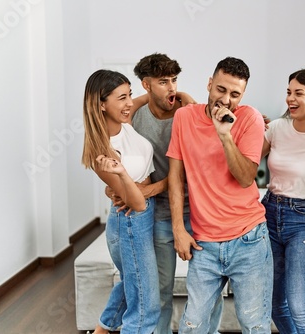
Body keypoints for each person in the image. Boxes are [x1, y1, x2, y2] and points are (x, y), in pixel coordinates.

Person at [167, 56, 273, 334]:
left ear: (243, 95)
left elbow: (245, 176)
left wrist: (225, 134)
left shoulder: (249, 118)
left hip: (248, 240)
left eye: (235, 94)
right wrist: (179, 228)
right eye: (221, 89)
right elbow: (176, 179)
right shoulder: (184, 118)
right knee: (193, 326)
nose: (226, 99)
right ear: (209, 84)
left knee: (254, 326)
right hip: (204, 244)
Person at [129, 52, 223, 334]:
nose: (171, 88)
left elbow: (193, 166)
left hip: (197, 212)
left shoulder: (187, 112)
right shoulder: (136, 117)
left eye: (174, 81)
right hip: (159, 215)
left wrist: (151, 188)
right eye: (162, 82)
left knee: (209, 290)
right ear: (146, 85)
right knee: (161, 290)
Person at [81, 69, 160, 334]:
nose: (129, 103)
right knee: (145, 304)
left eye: (130, 95)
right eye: (121, 98)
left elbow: (145, 99)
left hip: (143, 217)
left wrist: (181, 95)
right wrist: (171, 183)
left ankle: (101, 330)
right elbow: (136, 203)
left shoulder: (123, 121)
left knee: (132, 283)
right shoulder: (101, 152)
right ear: (101, 104)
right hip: (129, 223)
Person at [260, 67, 305, 333]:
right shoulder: (277, 128)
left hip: (303, 220)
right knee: (274, 304)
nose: (290, 98)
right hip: (268, 213)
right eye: (288, 92)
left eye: (298, 93)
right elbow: (244, 163)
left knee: (299, 306)